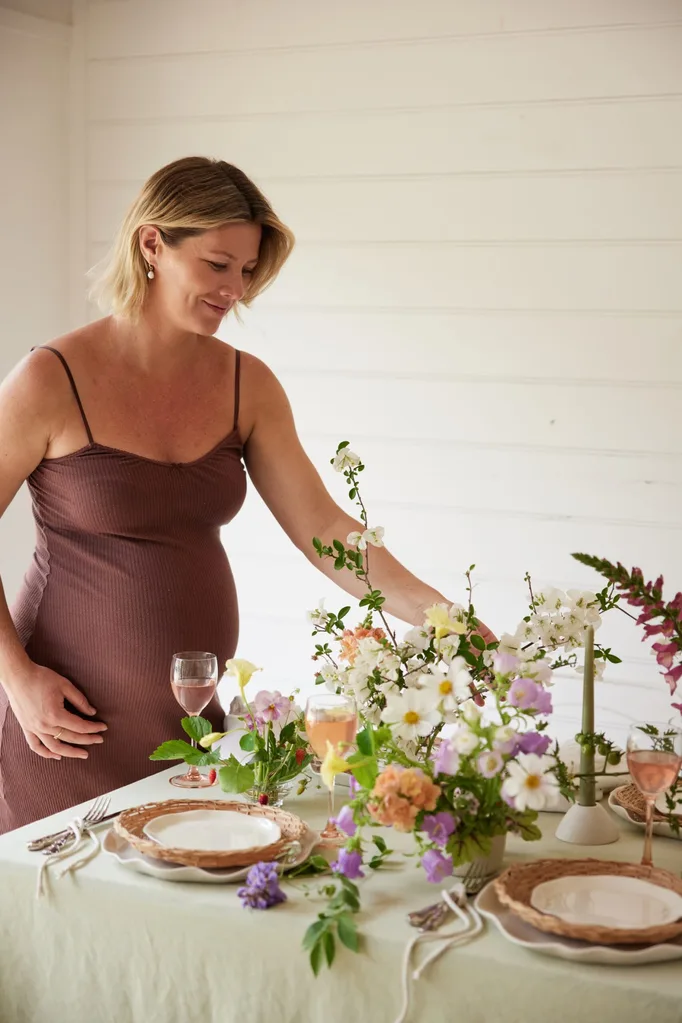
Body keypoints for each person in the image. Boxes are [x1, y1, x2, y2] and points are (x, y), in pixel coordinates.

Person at [0, 157, 495, 833]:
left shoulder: (247, 384)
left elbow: (325, 529)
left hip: (192, 722)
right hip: (65, 726)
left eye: (247, 270)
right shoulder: (48, 378)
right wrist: (18, 679)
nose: (236, 289)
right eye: (217, 264)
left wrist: (443, 617)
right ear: (152, 245)